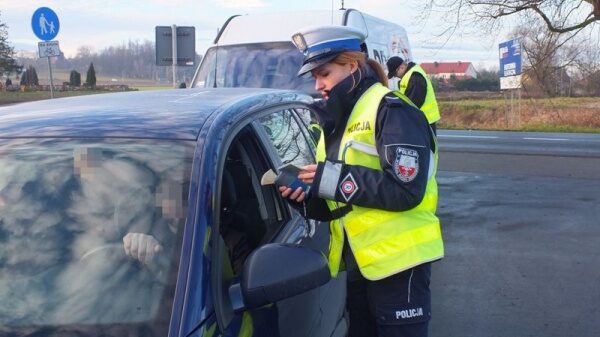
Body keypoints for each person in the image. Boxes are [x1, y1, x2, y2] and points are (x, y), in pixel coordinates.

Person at [282, 25, 444, 337]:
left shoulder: (391, 109)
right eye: (314, 77)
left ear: (352, 66)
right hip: (360, 264)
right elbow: (344, 204)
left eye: (324, 73)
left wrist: (331, 178)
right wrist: (307, 195)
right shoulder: (340, 118)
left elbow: (405, 189)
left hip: (401, 264)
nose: (318, 85)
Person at [386, 56, 441, 133]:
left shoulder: (414, 77)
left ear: (401, 67)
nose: (395, 76)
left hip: (423, 120)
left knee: (424, 144)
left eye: (395, 73)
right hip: (421, 120)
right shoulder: (410, 75)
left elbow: (413, 103)